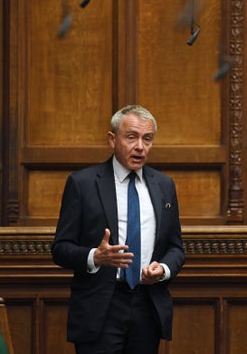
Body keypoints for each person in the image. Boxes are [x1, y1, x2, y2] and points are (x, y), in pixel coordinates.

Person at [52, 104, 185, 354]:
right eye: (131, 137)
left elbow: (176, 247)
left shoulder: (164, 186)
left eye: (147, 139)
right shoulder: (83, 184)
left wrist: (163, 269)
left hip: (148, 305)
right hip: (101, 306)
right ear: (112, 140)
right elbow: (60, 249)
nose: (140, 147)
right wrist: (95, 257)